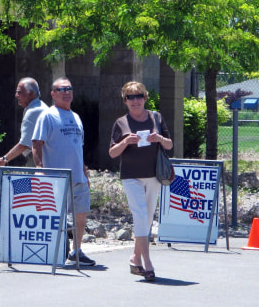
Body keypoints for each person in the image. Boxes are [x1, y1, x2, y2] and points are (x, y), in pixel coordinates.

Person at [108, 81, 173, 282]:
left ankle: (134, 257)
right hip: (131, 176)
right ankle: (147, 262)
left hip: (153, 175)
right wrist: (125, 141)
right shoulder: (121, 122)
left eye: (138, 96)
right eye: (130, 97)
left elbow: (170, 145)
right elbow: (112, 153)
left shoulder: (156, 117)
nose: (135, 100)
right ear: (125, 101)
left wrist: (159, 138)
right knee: (140, 215)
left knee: (146, 219)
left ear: (145, 98)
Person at [32, 77, 96, 266]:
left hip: (77, 176)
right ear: (53, 94)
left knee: (81, 214)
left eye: (69, 88)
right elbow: (36, 143)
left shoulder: (76, 117)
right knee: (55, 215)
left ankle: (76, 251)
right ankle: (55, 250)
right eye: (61, 89)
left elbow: (79, 147)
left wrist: (84, 171)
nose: (66, 92)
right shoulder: (47, 115)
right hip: (56, 177)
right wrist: (39, 167)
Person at [0, 77, 48, 168]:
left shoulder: (33, 112)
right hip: (46, 160)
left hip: (37, 161)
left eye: (19, 92)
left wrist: (5, 159)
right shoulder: (42, 106)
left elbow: (24, 144)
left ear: (30, 93)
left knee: (29, 182)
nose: (16, 95)